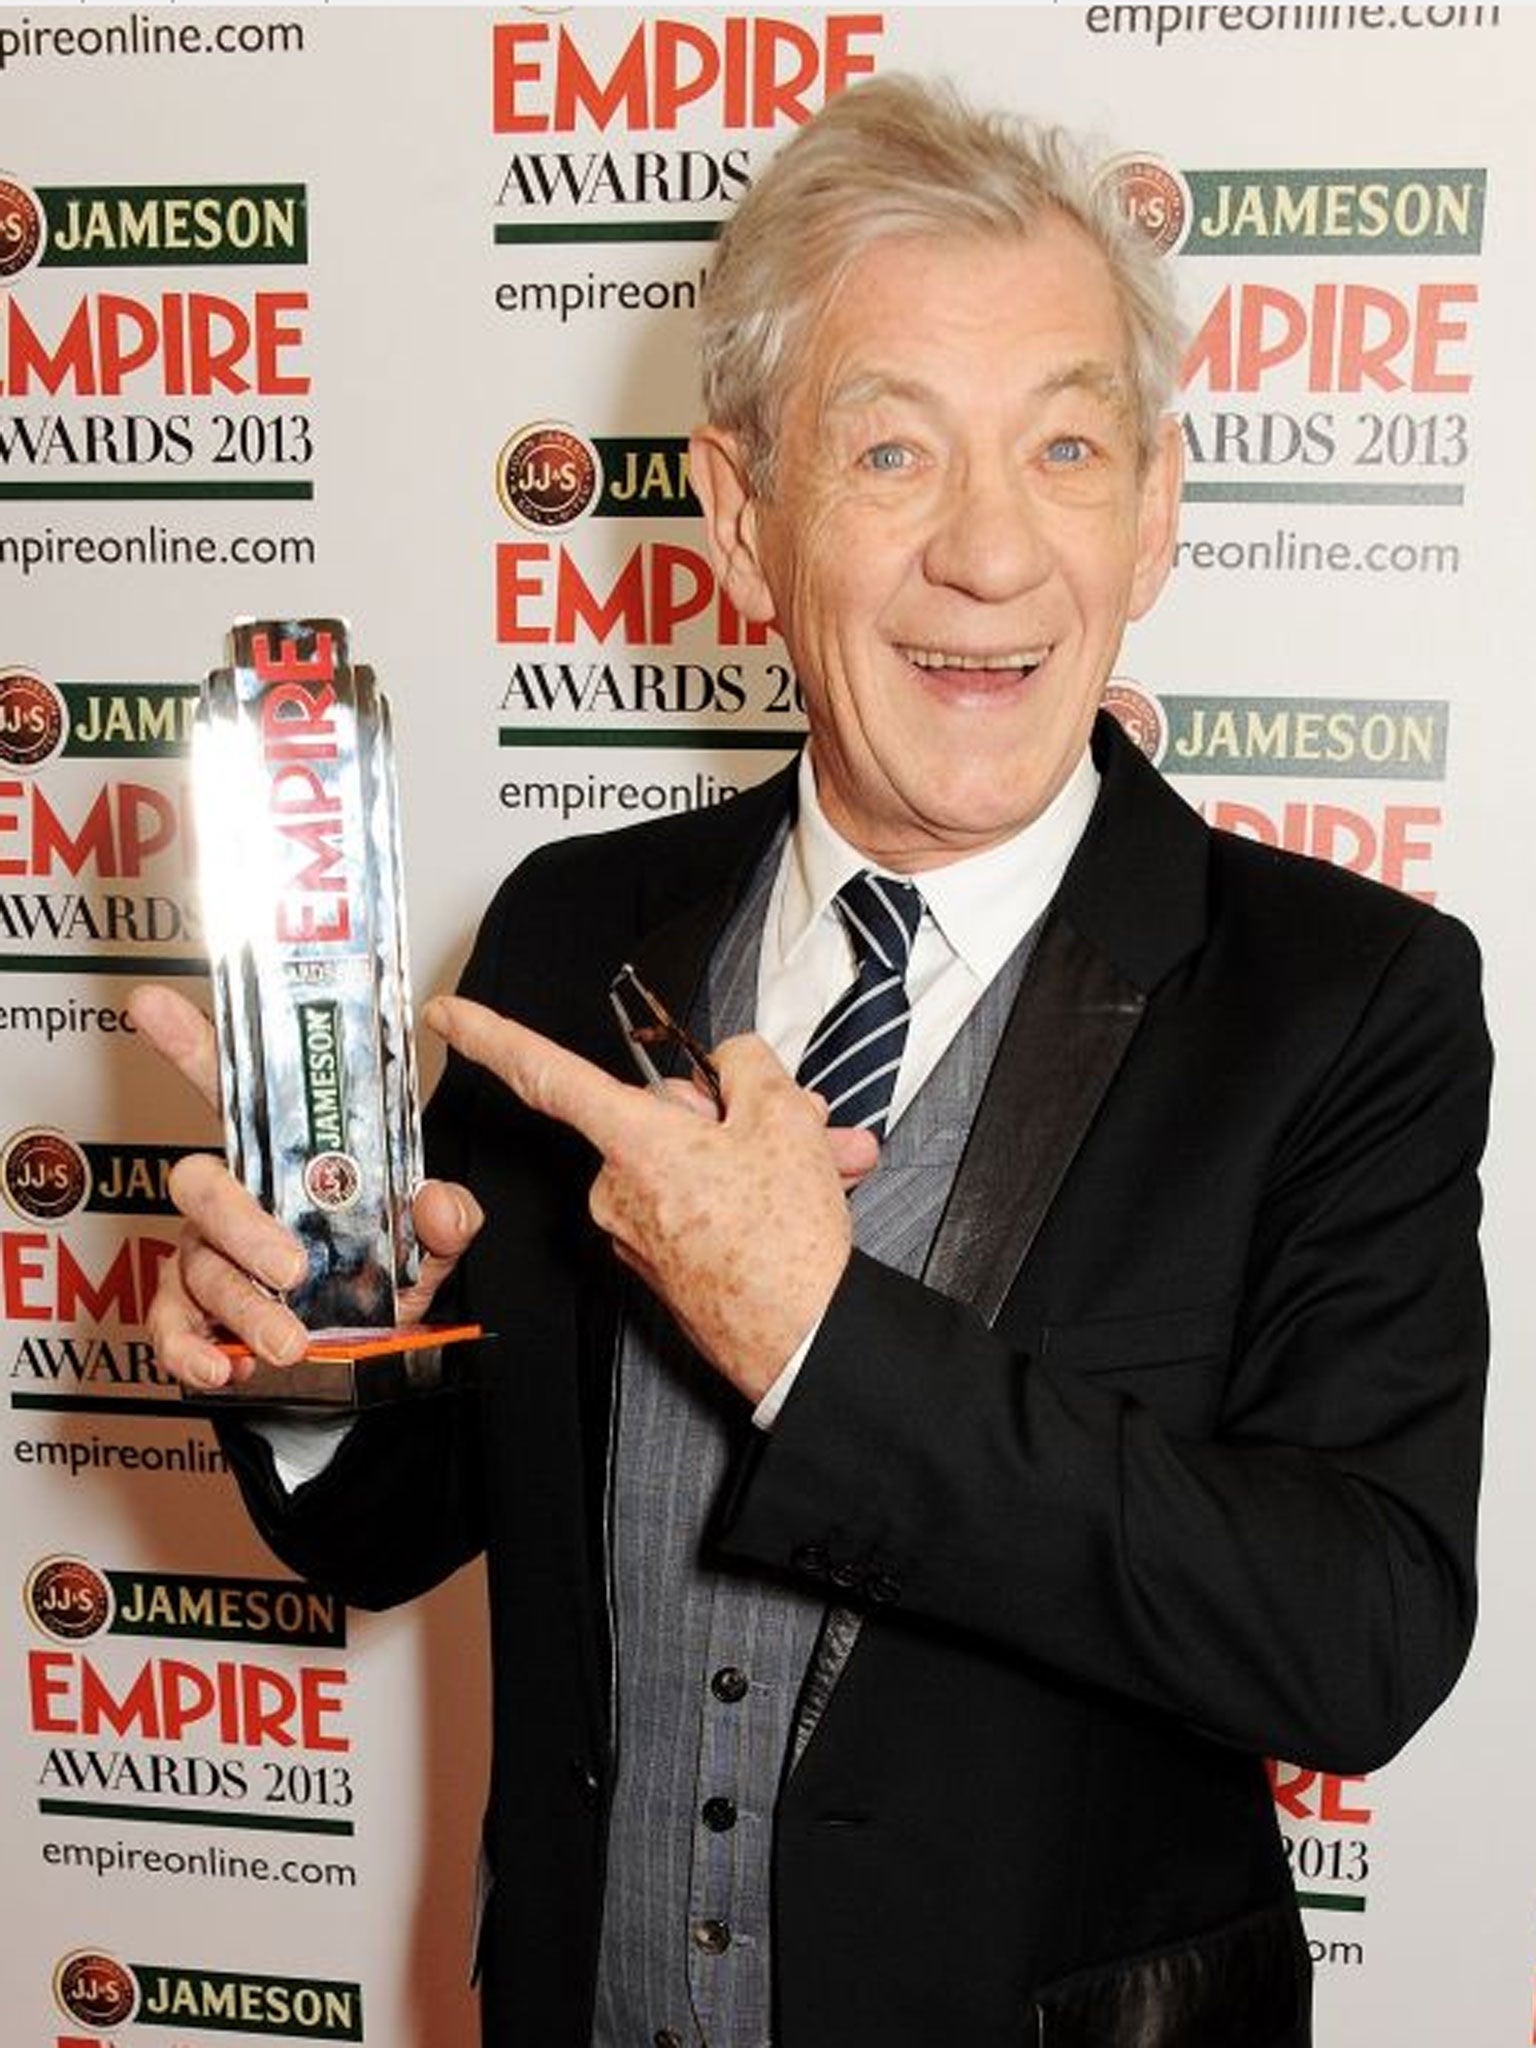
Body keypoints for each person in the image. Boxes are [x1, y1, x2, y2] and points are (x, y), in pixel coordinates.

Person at [132, 74, 1491, 2048]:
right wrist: (323, 1374)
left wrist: (812, 1336)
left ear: (1159, 506)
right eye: (889, 452)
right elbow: (403, 1517)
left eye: (1065, 449)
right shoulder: (567, 934)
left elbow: (1355, 1637)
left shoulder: (1344, 997)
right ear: (742, 508)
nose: (990, 556)